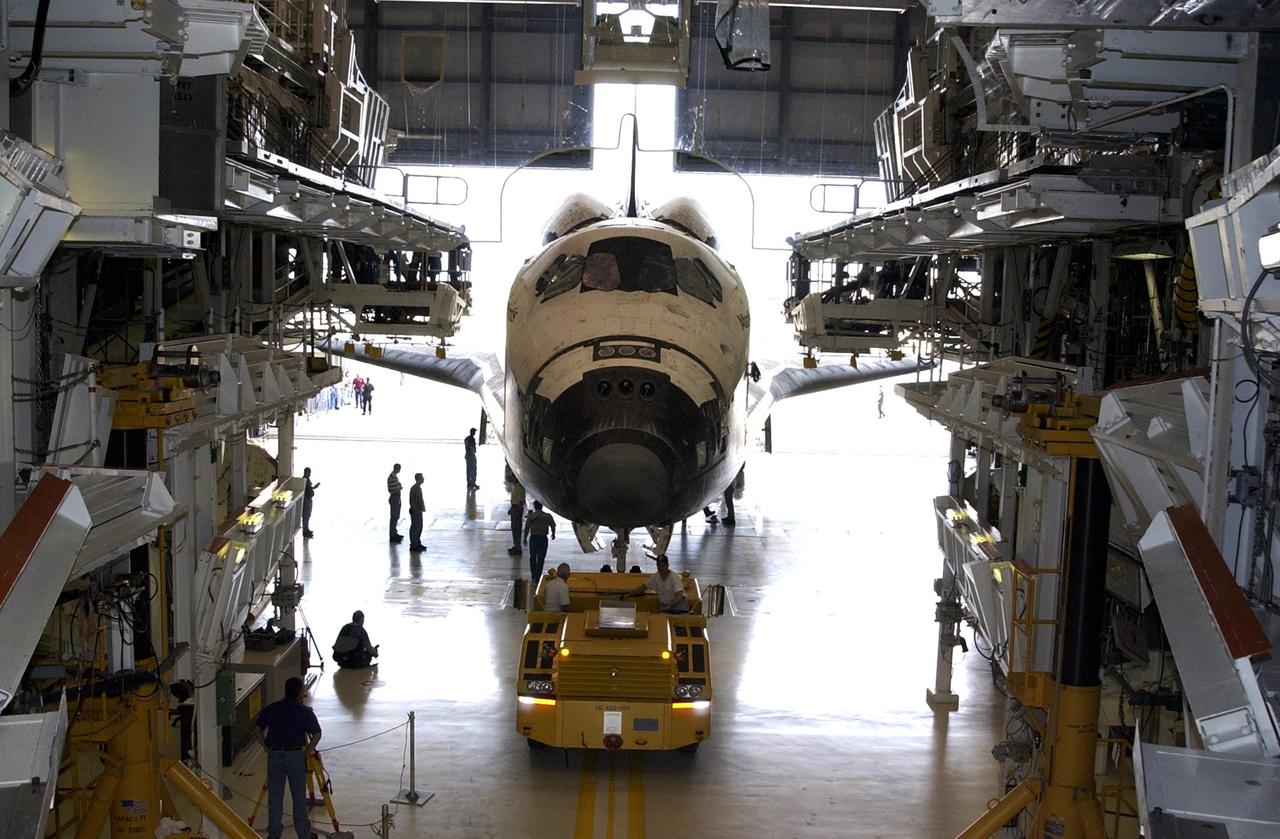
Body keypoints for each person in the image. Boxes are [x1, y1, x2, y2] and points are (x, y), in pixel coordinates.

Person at [253, 676, 321, 839]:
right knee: (298, 796)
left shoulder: (273, 708)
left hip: (275, 754)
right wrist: (307, 752)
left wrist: (265, 747)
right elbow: (317, 734)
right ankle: (303, 834)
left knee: (275, 796)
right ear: (300, 692)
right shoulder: (304, 712)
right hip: (295, 755)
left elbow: (257, 728)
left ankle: (274, 833)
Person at [621, 555, 690, 613]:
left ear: (667, 565)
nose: (661, 568)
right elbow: (643, 587)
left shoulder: (674, 577)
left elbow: (679, 595)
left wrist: (668, 607)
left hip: (679, 606)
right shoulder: (656, 577)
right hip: (665, 606)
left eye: (663, 565)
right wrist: (629, 595)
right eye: (659, 566)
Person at [523, 500, 556, 581]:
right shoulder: (548, 516)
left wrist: (525, 538)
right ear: (542, 506)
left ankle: (533, 574)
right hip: (543, 539)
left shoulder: (531, 516)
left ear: (534, 506)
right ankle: (538, 576)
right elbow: (553, 525)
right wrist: (553, 534)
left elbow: (527, 528)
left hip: (533, 538)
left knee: (533, 557)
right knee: (541, 558)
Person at [409, 472, 426, 552]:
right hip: (416, 510)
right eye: (422, 478)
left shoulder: (418, 488)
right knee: (415, 528)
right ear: (419, 479)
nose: (423, 479)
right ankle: (413, 545)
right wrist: (415, 509)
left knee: (419, 527)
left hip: (418, 510)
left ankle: (417, 543)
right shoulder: (415, 488)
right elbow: (413, 500)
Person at [508, 480, 526, 555]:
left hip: (517, 509)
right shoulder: (515, 486)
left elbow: (521, 501)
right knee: (514, 528)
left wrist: (517, 510)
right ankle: (516, 545)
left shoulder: (520, 487)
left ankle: (518, 547)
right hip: (514, 508)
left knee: (517, 528)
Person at [387, 463, 404, 543]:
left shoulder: (394, 476)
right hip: (394, 497)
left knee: (396, 516)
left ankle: (394, 533)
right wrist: (399, 486)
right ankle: (392, 535)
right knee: (394, 517)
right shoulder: (392, 476)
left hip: (395, 497)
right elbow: (397, 487)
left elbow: (398, 486)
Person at [302, 467, 319, 538]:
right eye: (308, 472)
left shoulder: (307, 480)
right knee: (306, 516)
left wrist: (314, 487)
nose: (309, 474)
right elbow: (306, 489)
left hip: (308, 499)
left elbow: (309, 488)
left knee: (308, 516)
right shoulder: (304, 480)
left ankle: (307, 529)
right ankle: (305, 531)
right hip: (306, 500)